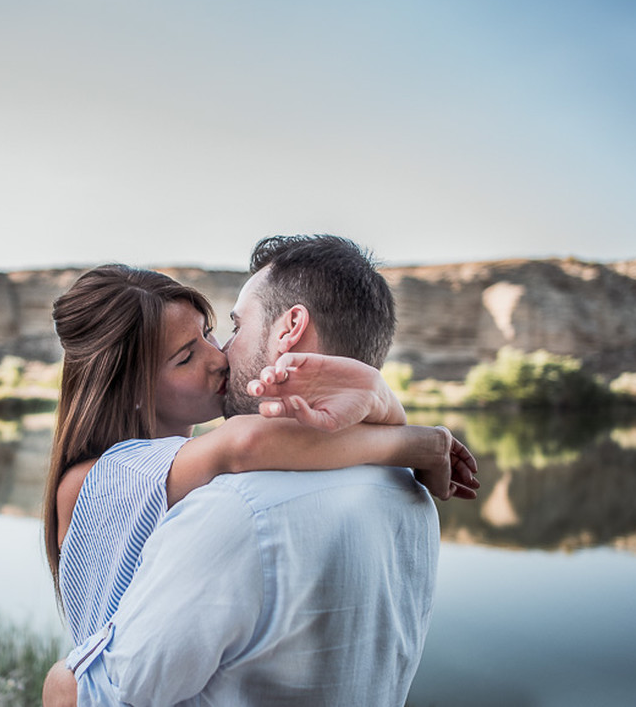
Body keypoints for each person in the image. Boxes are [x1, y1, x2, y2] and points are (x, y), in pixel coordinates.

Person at [47, 234, 462, 706]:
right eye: (186, 355)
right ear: (133, 388)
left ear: (291, 328)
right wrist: (412, 436)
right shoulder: (409, 498)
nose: (218, 354)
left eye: (218, 331)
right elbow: (244, 441)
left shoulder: (233, 508)